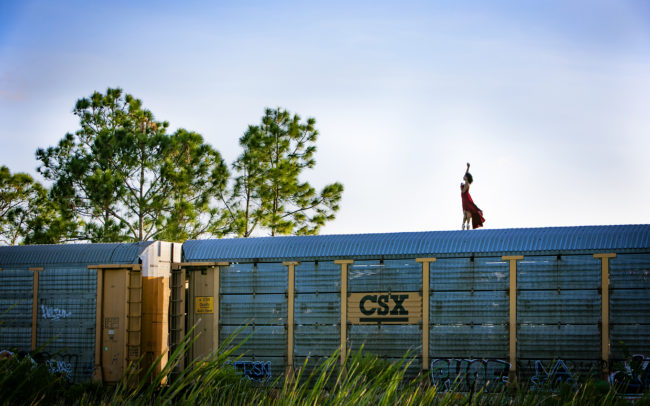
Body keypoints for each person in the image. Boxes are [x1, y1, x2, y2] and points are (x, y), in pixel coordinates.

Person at [461, 162, 485, 230]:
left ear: (467, 178)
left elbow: (463, 191)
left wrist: (460, 187)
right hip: (464, 199)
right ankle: (464, 226)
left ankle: (467, 226)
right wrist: (468, 168)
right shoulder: (466, 182)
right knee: (465, 213)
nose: (464, 176)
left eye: (465, 176)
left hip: (466, 199)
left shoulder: (467, 184)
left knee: (468, 212)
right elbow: (466, 175)